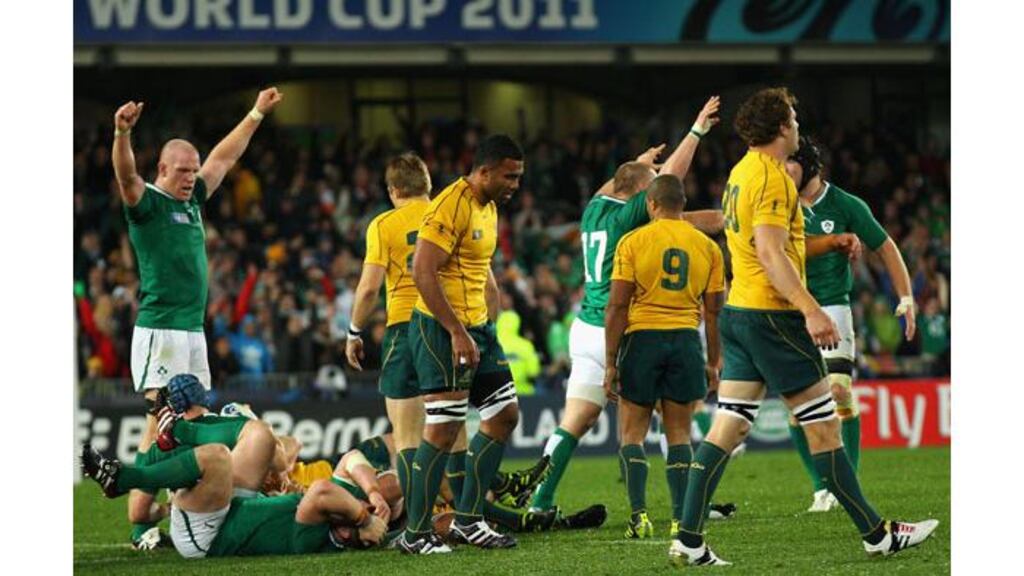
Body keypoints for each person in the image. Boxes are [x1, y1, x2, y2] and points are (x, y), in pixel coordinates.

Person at [669, 87, 937, 566]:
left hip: (739, 314)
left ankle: (688, 538)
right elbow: (771, 251)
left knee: (728, 425)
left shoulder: (741, 171)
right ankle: (876, 534)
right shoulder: (771, 179)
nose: (797, 125)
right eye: (792, 119)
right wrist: (810, 308)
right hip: (774, 318)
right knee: (824, 429)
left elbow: (747, 242)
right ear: (779, 129)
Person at [530, 97, 725, 515]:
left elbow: (623, 185)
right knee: (671, 409)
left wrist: (637, 164)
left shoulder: (594, 209)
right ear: (642, 195)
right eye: (647, 186)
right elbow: (670, 180)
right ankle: (692, 499)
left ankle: (541, 497)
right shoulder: (631, 219)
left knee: (575, 422)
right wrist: (696, 132)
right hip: (616, 329)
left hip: (583, 328)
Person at [112, 88, 282, 548]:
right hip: (160, 330)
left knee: (190, 420)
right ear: (163, 169)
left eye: (193, 170)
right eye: (182, 171)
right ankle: (140, 524)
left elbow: (223, 159)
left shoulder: (192, 201)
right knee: (160, 422)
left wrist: (254, 114)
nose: (191, 178)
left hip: (191, 331)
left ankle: (178, 514)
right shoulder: (147, 204)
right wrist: (122, 133)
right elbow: (125, 175)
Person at [397, 135, 525, 554]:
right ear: (484, 171)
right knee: (444, 427)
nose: (515, 185)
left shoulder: (488, 208)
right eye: (510, 176)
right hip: (440, 329)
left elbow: (477, 264)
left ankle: (469, 519)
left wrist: (491, 306)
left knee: (505, 414)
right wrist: (456, 330)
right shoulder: (450, 204)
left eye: (519, 177)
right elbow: (422, 270)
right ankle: (416, 533)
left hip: (479, 328)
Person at [785, 136, 917, 512]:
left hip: (832, 307)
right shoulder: (780, 203)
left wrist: (906, 298)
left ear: (808, 166)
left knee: (839, 391)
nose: (784, 170)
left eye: (790, 164)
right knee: (799, 403)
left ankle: (847, 482)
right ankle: (819, 487)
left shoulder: (845, 204)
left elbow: (886, 246)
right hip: (791, 307)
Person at [604, 175, 725, 540]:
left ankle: (639, 517)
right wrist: (713, 362)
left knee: (632, 433)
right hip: (686, 341)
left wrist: (611, 362)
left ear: (651, 205)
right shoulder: (708, 247)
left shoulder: (633, 242)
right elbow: (714, 314)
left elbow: (617, 306)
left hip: (643, 340)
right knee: (679, 435)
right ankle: (678, 519)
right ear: (682, 205)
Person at [80, 441, 387, 559]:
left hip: (205, 536)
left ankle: (120, 479)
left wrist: (365, 518)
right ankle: (156, 506)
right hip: (223, 512)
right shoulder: (327, 518)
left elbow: (322, 491)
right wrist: (373, 493)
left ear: (344, 531)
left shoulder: (311, 535)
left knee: (216, 456)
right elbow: (350, 457)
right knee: (260, 437)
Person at [345, 153, 433, 508]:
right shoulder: (448, 214)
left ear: (393, 190)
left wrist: (354, 331)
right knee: (452, 430)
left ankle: (418, 525)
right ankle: (469, 516)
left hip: (405, 329)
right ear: (428, 185)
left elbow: (368, 289)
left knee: (408, 436)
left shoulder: (384, 225)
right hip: (450, 325)